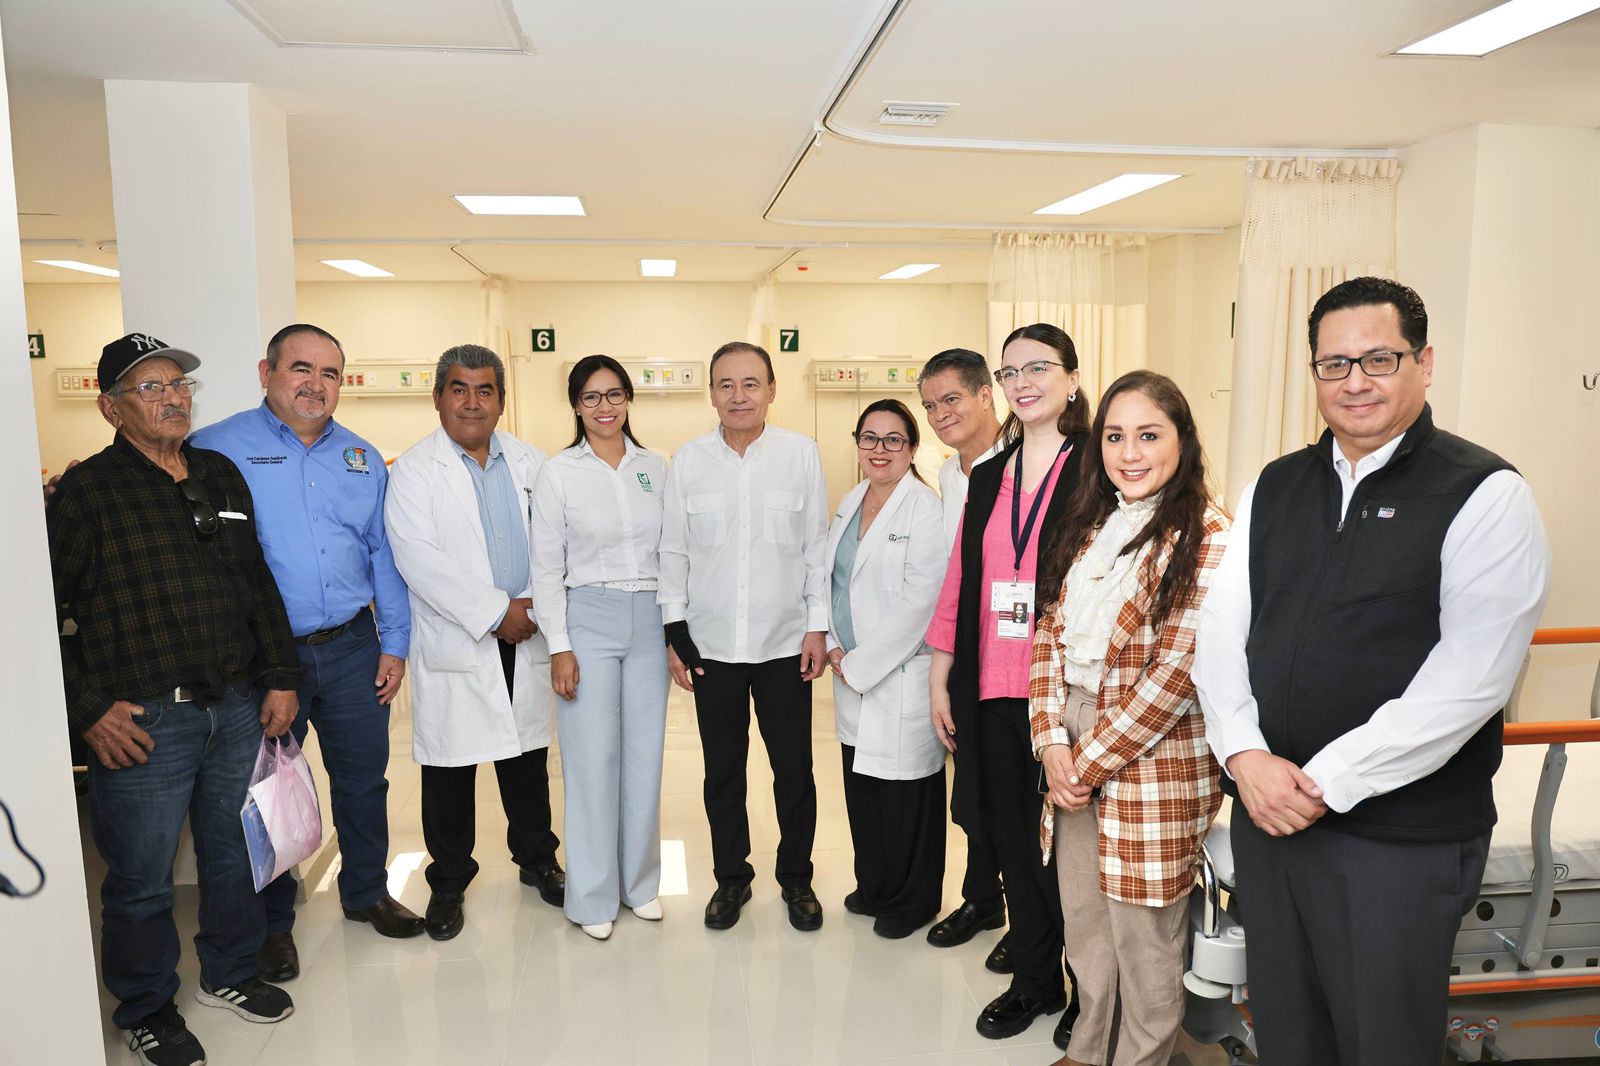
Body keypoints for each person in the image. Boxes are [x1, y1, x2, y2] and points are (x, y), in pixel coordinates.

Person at [1194, 277, 1551, 1066]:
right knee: (1287, 1032)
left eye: (1379, 359)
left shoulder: (1483, 494)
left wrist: (1322, 784)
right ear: (1314, 373)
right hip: (1269, 821)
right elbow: (1219, 632)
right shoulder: (1274, 486)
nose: (1355, 381)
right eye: (1335, 364)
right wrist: (1245, 756)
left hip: (1396, 838)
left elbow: (1469, 682)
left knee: (1384, 1042)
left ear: (1425, 363)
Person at [47, 333, 300, 1066]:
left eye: (179, 385)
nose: (172, 398)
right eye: (150, 388)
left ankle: (229, 971)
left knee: (233, 857)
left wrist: (280, 674)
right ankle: (147, 1007)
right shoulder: (87, 494)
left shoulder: (219, 474)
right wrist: (87, 708)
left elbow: (256, 583)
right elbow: (39, 614)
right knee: (141, 881)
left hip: (235, 706)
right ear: (110, 408)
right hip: (144, 722)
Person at [190, 323, 422, 980]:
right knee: (268, 790)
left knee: (363, 780)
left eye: (329, 374)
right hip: (264, 659)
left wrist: (394, 643)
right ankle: (272, 926)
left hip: (351, 647)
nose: (315, 385)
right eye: (301, 368)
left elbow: (382, 555)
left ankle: (366, 891)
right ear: (266, 373)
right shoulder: (215, 449)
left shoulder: (360, 458)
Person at [1030, 371, 1230, 1066]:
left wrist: (1080, 763)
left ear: (1182, 440)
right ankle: (1089, 1049)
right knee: (1086, 924)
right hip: (1073, 740)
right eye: (1115, 437)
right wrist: (1050, 741)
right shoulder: (1093, 525)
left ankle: (1142, 1058)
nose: (1130, 453)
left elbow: (1174, 676)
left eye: (1149, 435)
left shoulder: (1210, 537)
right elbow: (1048, 635)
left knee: (1144, 938)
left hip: (1155, 760)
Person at [925, 323, 1088, 1044]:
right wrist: (941, 674)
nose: (1023, 383)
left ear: (1072, 380)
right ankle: (1035, 981)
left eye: (1039, 368)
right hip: (992, 685)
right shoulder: (988, 476)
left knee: (1071, 850)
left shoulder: (1098, 467)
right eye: (1011, 371)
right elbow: (963, 578)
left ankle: (1089, 988)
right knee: (1014, 841)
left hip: (1066, 692)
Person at [384, 344, 565, 942]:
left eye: (484, 390)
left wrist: (532, 606)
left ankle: (538, 859)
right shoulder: (414, 471)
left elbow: (556, 540)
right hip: (461, 638)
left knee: (526, 761)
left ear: (501, 401)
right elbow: (418, 559)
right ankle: (449, 881)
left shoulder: (532, 462)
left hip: (528, 630)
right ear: (438, 397)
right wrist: (494, 613)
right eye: (458, 389)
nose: (471, 402)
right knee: (450, 771)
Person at [658, 341, 829, 932]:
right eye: (726, 384)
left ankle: (797, 877)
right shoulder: (688, 461)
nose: (739, 396)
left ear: (772, 390)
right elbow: (673, 552)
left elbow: (816, 549)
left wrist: (816, 626)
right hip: (713, 647)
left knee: (794, 772)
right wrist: (675, 633)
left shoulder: (800, 454)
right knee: (722, 773)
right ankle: (731, 878)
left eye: (751, 383)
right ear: (711, 393)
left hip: (785, 644)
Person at [529, 355, 670, 941]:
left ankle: (639, 884)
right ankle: (591, 896)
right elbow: (545, 567)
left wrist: (676, 630)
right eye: (591, 397)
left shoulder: (655, 467)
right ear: (576, 406)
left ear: (628, 400)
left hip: (650, 619)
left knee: (645, 755)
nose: (604, 407)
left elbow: (674, 553)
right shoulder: (559, 472)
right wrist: (559, 646)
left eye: (614, 394)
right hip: (587, 617)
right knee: (591, 760)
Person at [825, 400, 949, 939]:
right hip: (850, 671)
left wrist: (858, 665)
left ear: (912, 448)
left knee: (907, 800)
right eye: (869, 438)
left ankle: (912, 901)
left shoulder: (924, 508)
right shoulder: (851, 501)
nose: (880, 449)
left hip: (897, 675)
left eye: (893, 439)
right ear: (857, 444)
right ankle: (874, 886)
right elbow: (832, 582)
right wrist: (834, 645)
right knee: (864, 792)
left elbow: (921, 602)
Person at [917, 348, 1011, 963]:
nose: (939, 415)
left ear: (985, 394)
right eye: (930, 406)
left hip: (1017, 651)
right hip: (964, 650)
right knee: (973, 786)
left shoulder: (1025, 462)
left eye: (950, 399)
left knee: (1017, 793)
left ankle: (1032, 918)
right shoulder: (950, 476)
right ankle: (983, 897)